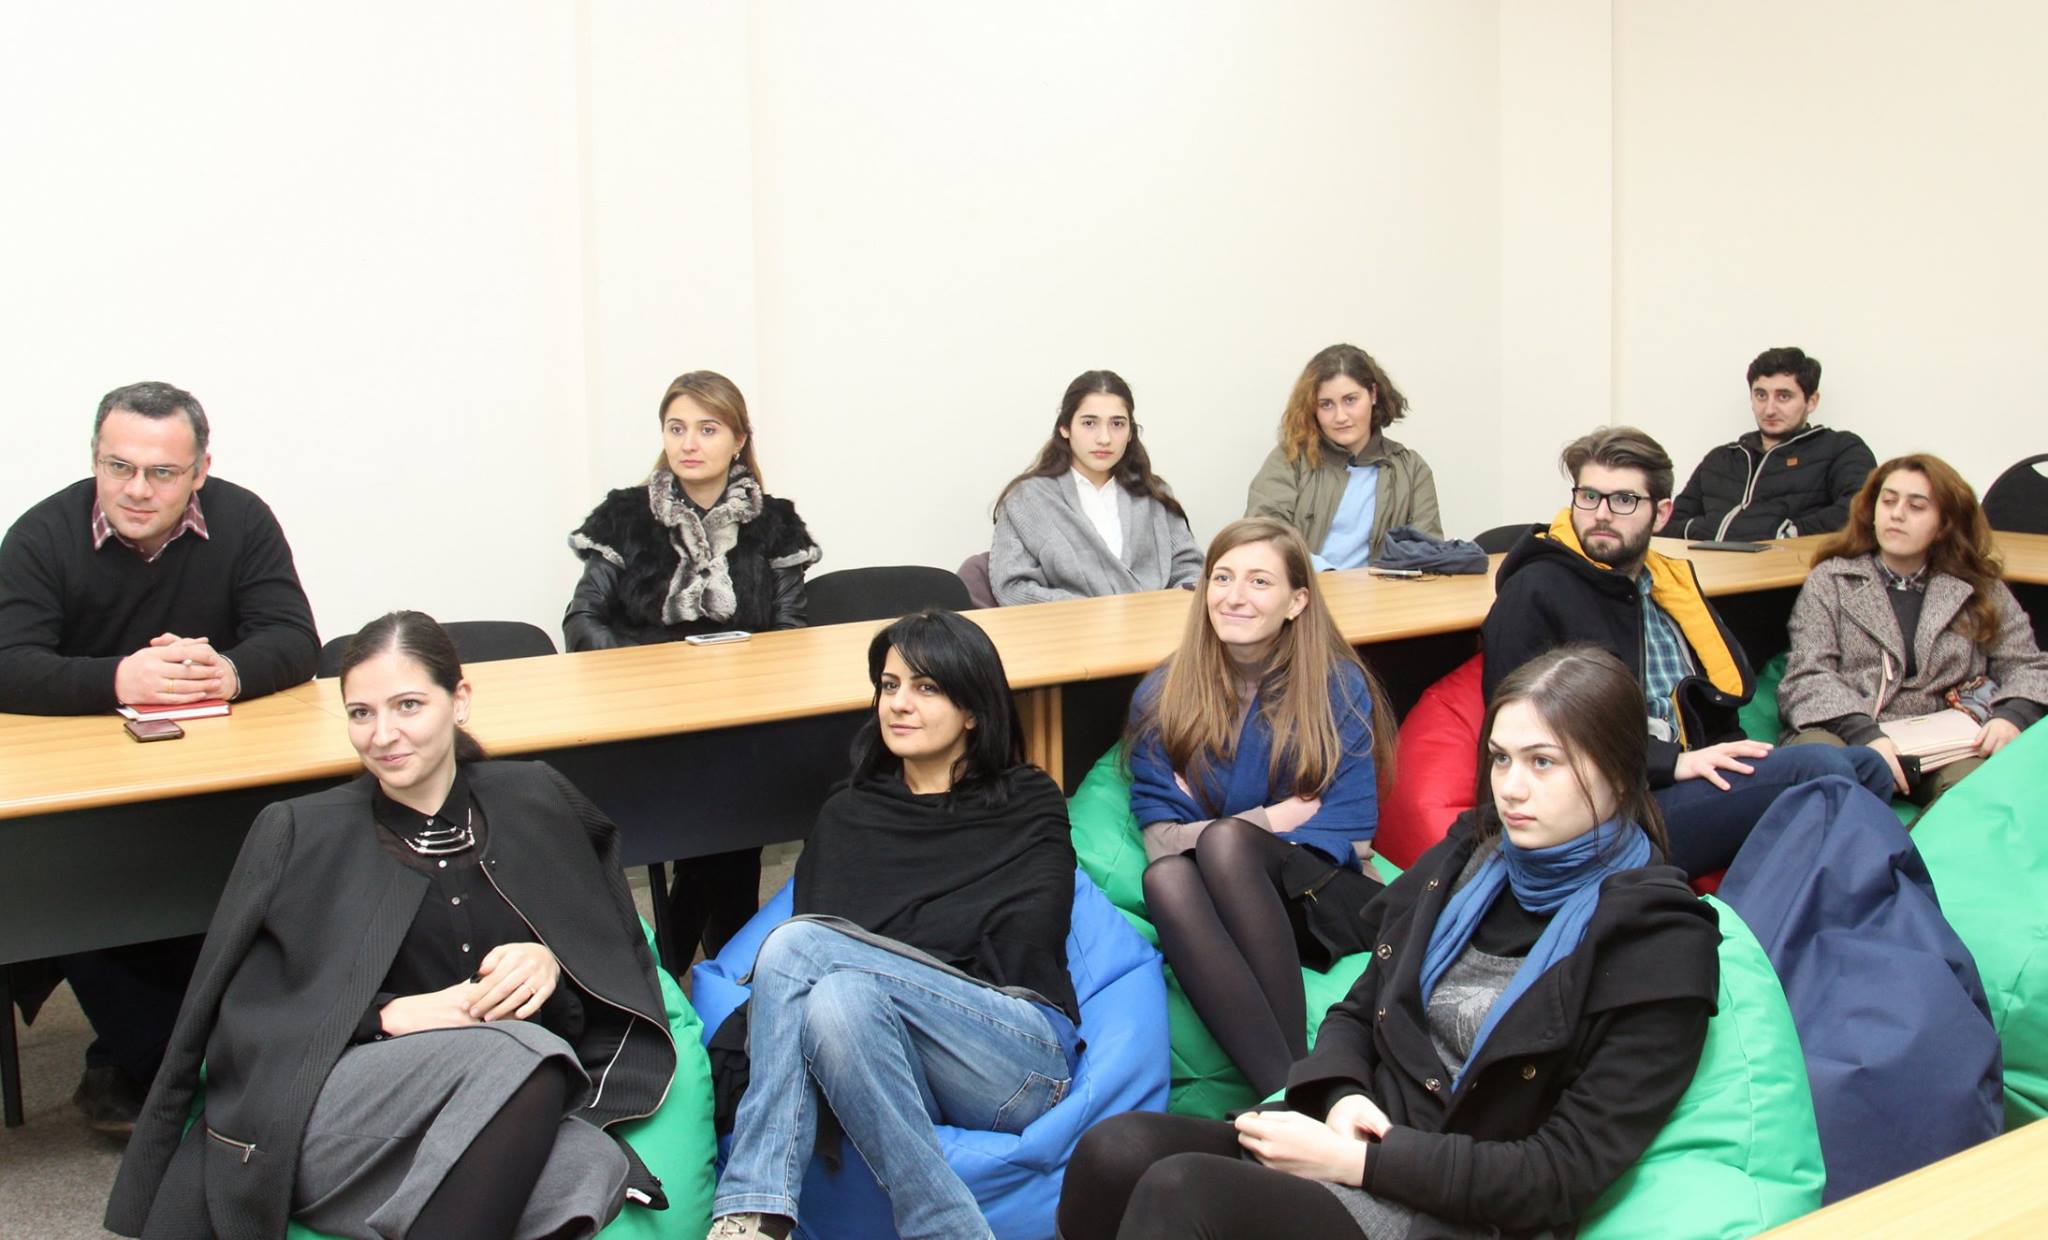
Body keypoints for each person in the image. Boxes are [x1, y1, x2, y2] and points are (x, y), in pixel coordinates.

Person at [1057, 645, 1720, 1240]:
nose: (1511, 788)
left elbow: (1559, 1174)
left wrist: (1358, 1162)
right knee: (1114, 1151)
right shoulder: (1470, 859)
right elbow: (1357, 1010)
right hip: (1358, 1138)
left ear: (1619, 772)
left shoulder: (1657, 940)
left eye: (1543, 762)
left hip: (1454, 1207)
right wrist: (1340, 1098)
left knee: (1183, 1192)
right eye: (1500, 758)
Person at [105, 612, 677, 1240]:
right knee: (528, 1057)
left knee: (585, 1166)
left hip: (503, 1109)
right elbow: (240, 1018)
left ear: (459, 701)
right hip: (341, 1112)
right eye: (361, 713)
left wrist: (552, 961)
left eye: (408, 705)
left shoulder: (538, 798)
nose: (382, 735)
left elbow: (612, 969)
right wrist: (385, 1015)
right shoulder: (300, 831)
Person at [0, 380, 318, 1134]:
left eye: (162, 472)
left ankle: (172, 1057)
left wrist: (227, 672)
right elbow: (7, 662)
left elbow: (294, 637)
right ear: (96, 459)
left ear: (200, 470)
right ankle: (164, 1065)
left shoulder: (242, 519)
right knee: (87, 880)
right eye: (119, 467)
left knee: (270, 862)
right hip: (82, 785)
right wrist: (120, 678)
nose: (136, 489)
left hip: (213, 772)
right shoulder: (43, 535)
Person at [708, 611, 1078, 1240]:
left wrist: (879, 954)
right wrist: (884, 958)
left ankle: (755, 1208)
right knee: (836, 998)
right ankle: (948, 1229)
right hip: (885, 1062)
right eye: (889, 685)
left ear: (973, 710)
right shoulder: (848, 813)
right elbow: (822, 977)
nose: (899, 704)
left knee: (801, 948)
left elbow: (1030, 933)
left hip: (1012, 1054)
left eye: (926, 687)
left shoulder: (1027, 797)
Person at [1482, 427, 1893, 877]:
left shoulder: (1667, 585)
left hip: (1688, 780)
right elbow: (1526, 727)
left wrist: (1731, 755)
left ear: (1662, 514)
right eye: (1589, 496)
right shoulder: (1535, 591)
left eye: (1623, 500)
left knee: (1869, 768)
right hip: (1609, 806)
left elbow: (1712, 704)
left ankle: (1810, 896)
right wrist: (1671, 763)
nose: (1601, 514)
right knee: (1820, 769)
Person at [1126, 517, 1395, 1099]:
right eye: (1221, 577)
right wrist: (1279, 818)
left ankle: (1296, 1083)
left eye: (1259, 581)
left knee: (1223, 844)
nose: (1233, 596)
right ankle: (1293, 1093)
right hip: (1225, 899)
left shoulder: (1337, 685)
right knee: (1167, 878)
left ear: (1297, 601)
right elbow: (1161, 839)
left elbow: (1351, 832)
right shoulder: (1163, 693)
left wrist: (1224, 834)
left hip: (1327, 899)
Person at [564, 370, 820, 964]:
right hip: (649, 722)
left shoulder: (774, 523)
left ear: (738, 439)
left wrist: (747, 682)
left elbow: (792, 630)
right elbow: (582, 620)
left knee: (732, 808)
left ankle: (676, 961)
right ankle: (726, 970)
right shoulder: (625, 516)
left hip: (745, 717)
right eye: (676, 428)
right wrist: (650, 674)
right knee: (728, 821)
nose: (689, 443)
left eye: (707, 429)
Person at [1780, 453, 2048, 804]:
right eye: (1888, 501)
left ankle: (1918, 840)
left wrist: (2012, 717)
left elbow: (2028, 666)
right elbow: (1807, 675)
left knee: (1979, 795)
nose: (1897, 514)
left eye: (1917, 506)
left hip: (1945, 742)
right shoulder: (1831, 580)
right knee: (1820, 767)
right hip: (1847, 730)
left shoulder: (1979, 585)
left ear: (1945, 523)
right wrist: (1867, 736)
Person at [989, 369, 1203, 604]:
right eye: (1089, 423)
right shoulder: (1026, 499)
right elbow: (1012, 587)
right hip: (1068, 625)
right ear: (1065, 428)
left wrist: (1169, 608)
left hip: (1156, 623)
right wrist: (1090, 611)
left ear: (1130, 432)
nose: (1104, 438)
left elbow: (1190, 570)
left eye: (1117, 424)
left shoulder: (1154, 493)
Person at [1245, 344, 1441, 571]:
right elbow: (1265, 534)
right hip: (1303, 586)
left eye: (1350, 400)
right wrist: (1324, 574)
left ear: (1373, 394)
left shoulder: (1412, 469)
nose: (1340, 417)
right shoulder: (1290, 458)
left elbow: (1428, 552)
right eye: (1326, 404)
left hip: (1384, 591)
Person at [1669, 346, 1876, 541]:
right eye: (1761, 395)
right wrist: (1707, 532)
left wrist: (1787, 534)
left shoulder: (1841, 449)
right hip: (1707, 567)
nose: (1769, 410)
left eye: (1783, 396)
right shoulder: (1720, 459)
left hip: (1790, 566)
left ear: (1811, 401)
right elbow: (1669, 523)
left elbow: (1860, 509)